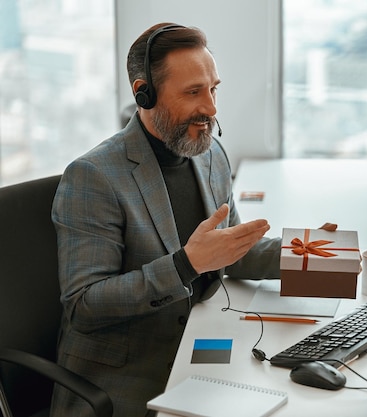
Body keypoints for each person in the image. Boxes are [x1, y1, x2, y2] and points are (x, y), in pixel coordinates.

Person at [50, 23, 281, 416]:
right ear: (145, 94)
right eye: (193, 92)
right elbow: (84, 305)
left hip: (199, 344)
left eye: (213, 88)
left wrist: (311, 258)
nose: (211, 108)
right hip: (127, 375)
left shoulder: (209, 155)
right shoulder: (95, 176)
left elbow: (228, 252)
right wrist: (185, 265)